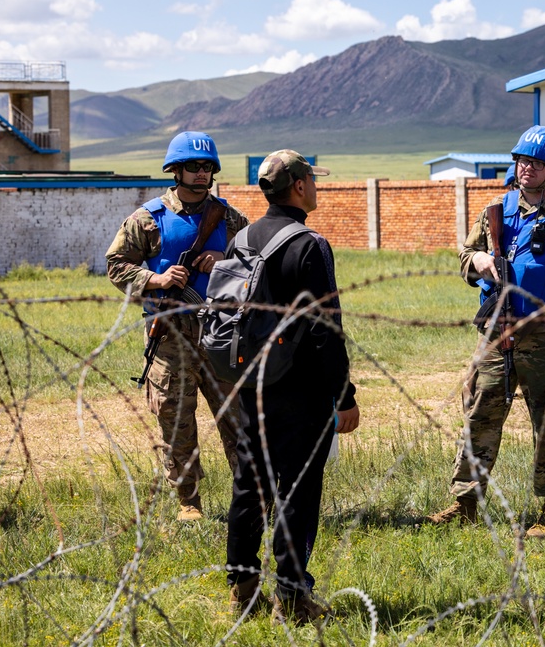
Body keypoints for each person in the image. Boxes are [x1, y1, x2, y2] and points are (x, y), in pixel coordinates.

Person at [427, 126, 545, 538]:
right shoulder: (496, 211)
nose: (527, 169)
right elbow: (464, 256)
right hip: (497, 332)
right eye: (523, 161)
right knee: (479, 416)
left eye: (537, 163)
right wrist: (480, 262)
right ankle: (466, 502)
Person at [226, 149, 360, 624]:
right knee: (297, 493)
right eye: (313, 181)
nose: (317, 188)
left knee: (249, 484)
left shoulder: (242, 238)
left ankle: (242, 588)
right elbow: (327, 329)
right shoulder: (309, 245)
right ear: (300, 186)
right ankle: (294, 596)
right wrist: (344, 397)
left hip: (249, 382)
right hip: (299, 391)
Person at [106, 131, 245, 522]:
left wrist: (224, 259)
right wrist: (157, 280)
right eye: (192, 167)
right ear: (175, 171)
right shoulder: (148, 219)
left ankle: (253, 495)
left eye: (207, 167)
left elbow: (257, 267)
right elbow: (116, 265)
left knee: (239, 418)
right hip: (170, 338)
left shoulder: (230, 219)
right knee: (176, 421)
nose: (201, 174)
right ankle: (189, 501)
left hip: (222, 334)